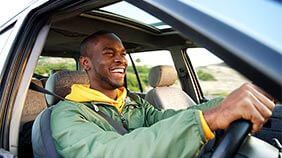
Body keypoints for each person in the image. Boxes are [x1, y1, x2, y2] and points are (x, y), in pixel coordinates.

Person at [50, 31, 275, 158]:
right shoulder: (67, 114)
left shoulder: (133, 103)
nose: (121, 60)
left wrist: (227, 103)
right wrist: (209, 119)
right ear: (86, 63)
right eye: (109, 54)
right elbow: (109, 153)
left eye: (122, 54)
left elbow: (167, 119)